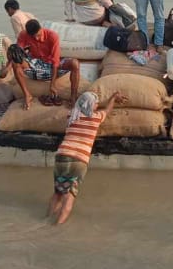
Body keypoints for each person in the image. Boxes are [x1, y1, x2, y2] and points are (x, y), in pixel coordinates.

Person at [48, 91, 126, 225]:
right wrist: (113, 98)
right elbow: (107, 110)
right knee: (70, 197)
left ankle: (46, 219)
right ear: (90, 105)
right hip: (78, 160)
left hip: (62, 156)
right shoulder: (96, 117)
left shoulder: (72, 117)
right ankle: (56, 228)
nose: (97, 106)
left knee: (58, 192)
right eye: (95, 103)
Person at [12, 19, 81, 109]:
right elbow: (17, 53)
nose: (37, 38)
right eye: (33, 37)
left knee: (75, 63)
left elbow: (55, 62)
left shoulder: (53, 36)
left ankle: (73, 96)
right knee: (15, 63)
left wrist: (52, 85)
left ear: (41, 29)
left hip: (51, 64)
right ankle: (27, 95)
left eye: (38, 35)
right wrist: (7, 67)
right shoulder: (23, 34)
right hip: (36, 64)